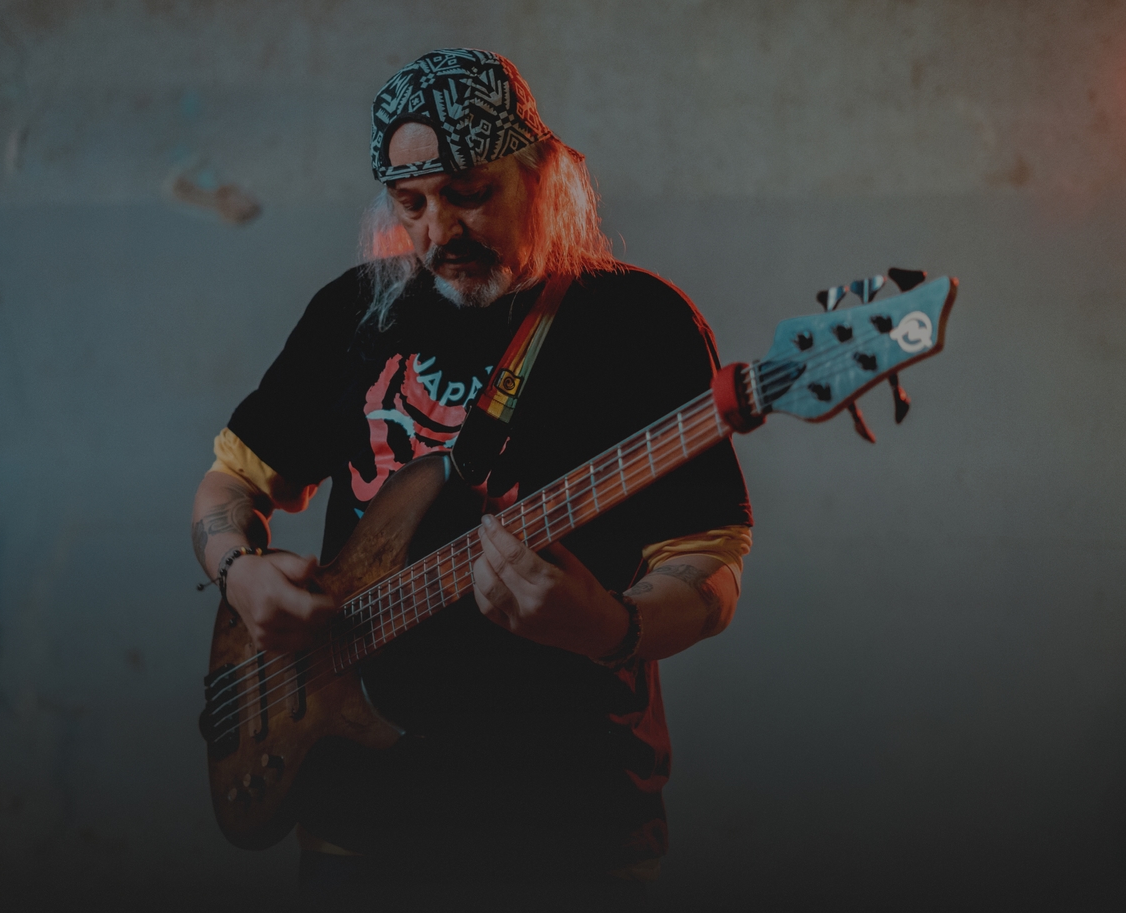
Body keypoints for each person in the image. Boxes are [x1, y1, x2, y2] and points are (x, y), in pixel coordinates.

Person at [190, 48, 753, 910]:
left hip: (571, 822)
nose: (438, 230)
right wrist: (239, 569)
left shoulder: (639, 322)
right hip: (360, 819)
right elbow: (230, 483)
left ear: (541, 174)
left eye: (468, 193)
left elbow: (708, 559)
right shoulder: (354, 310)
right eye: (412, 203)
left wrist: (610, 624)